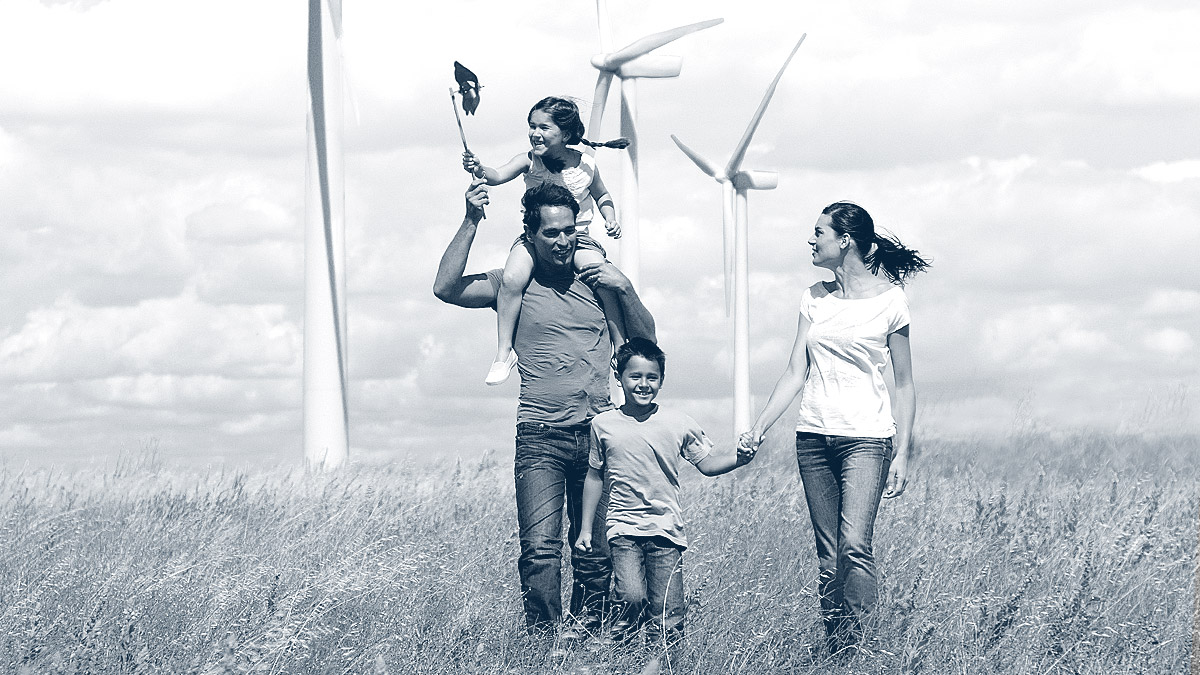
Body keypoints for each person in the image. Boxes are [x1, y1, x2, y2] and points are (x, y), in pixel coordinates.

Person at [433, 178, 657, 642]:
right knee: (540, 549)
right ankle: (543, 645)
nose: (562, 240)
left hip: (598, 434)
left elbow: (646, 342)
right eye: (551, 232)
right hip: (540, 436)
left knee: (594, 552)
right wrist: (472, 219)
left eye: (569, 230)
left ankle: (588, 639)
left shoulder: (597, 280)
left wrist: (627, 287)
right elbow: (446, 287)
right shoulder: (513, 283)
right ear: (530, 235)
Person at [740, 201, 929, 654]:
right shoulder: (814, 296)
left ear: (845, 240)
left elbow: (904, 384)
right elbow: (794, 372)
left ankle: (863, 651)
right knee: (828, 558)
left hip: (866, 438)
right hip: (813, 437)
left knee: (854, 547)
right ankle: (838, 651)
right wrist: (760, 426)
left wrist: (903, 452)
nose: (812, 239)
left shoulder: (891, 300)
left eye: (819, 232)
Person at [575, 338, 754, 650]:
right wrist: (586, 529)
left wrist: (740, 458)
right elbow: (594, 476)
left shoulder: (678, 422)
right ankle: (622, 651)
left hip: (666, 531)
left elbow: (707, 464)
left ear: (661, 380)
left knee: (668, 612)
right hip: (623, 528)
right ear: (619, 376)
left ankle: (663, 662)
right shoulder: (602, 424)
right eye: (636, 377)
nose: (644, 385)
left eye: (652, 378)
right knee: (631, 595)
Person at [462, 96, 629, 386]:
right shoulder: (529, 160)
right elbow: (497, 175)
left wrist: (610, 217)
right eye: (531, 126)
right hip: (535, 238)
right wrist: (478, 168)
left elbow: (602, 195)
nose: (534, 133)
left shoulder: (586, 164)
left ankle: (619, 345)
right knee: (512, 278)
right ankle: (504, 352)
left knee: (602, 276)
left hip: (578, 238)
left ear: (565, 134)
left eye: (543, 127)